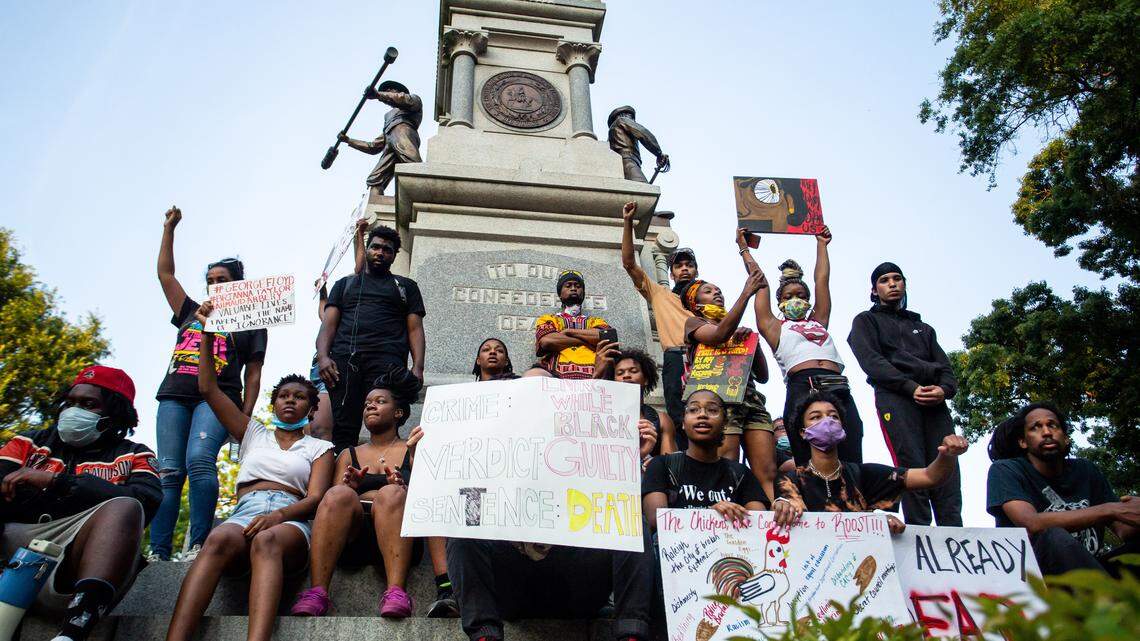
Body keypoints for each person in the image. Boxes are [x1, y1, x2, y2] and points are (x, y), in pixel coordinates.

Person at [166, 302, 334, 641]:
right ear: (273, 404)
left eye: (299, 397)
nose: (290, 400)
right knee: (216, 539)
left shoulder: (320, 448)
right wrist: (207, 334)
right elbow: (208, 389)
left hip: (290, 518)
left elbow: (316, 498)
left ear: (311, 408)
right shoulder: (253, 432)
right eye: (283, 396)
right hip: (245, 512)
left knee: (267, 540)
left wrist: (278, 516)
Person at [444, 380, 658, 641]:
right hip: (511, 588)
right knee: (463, 525)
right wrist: (433, 467)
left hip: (577, 585)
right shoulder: (489, 456)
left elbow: (616, 505)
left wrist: (628, 457)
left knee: (631, 521)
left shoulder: (584, 454)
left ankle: (631, 635)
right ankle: (484, 635)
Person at [0, 366, 160, 641]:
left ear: (114, 412)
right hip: (16, 543)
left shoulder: (135, 455)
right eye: (70, 402)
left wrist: (57, 482)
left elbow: (144, 501)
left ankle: (71, 634)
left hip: (77, 562)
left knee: (125, 507)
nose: (74, 411)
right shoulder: (29, 442)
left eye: (88, 404)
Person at [153, 205, 267, 561]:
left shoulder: (251, 322)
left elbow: (253, 373)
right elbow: (165, 274)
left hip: (218, 400)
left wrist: (243, 418)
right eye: (211, 280)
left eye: (223, 280)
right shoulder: (190, 311)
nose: (216, 285)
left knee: (200, 461)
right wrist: (169, 229)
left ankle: (198, 544)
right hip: (174, 396)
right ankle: (158, 550)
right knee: (169, 471)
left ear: (238, 285)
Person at [291, 368, 430, 617]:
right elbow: (332, 505)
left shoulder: (412, 449)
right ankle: (317, 592)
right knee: (338, 494)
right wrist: (350, 488)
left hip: (400, 539)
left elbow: (427, 499)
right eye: (367, 404)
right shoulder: (349, 454)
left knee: (391, 493)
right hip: (353, 539)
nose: (370, 407)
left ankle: (396, 592)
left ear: (398, 412)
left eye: (380, 402)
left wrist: (402, 487)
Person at [847, 262, 962, 526]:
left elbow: (946, 369)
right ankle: (919, 530)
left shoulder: (923, 328)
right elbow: (872, 361)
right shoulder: (866, 321)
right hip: (896, 398)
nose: (892, 284)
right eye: (884, 280)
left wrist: (943, 390)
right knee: (910, 464)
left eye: (897, 278)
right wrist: (911, 387)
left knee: (947, 459)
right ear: (874, 290)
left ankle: (954, 530)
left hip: (934, 401)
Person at [747, 226, 864, 465]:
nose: (795, 300)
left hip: (837, 385)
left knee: (852, 443)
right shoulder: (774, 327)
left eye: (800, 295)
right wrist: (744, 250)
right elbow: (761, 283)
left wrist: (821, 244)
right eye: (788, 297)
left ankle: (853, 486)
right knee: (805, 454)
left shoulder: (819, 319)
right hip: (803, 386)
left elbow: (822, 280)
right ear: (779, 302)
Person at [771, 391, 968, 534]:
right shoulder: (789, 480)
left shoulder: (864, 475)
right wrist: (781, 506)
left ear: (843, 428)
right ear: (803, 433)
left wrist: (947, 455)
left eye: (833, 416)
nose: (827, 421)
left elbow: (930, 476)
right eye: (816, 417)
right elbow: (790, 518)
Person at [986, 402, 1140, 576]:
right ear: (1023, 442)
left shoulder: (1086, 470)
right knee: (1053, 535)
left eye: (1053, 425)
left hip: (1093, 571)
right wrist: (1111, 509)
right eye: (1036, 427)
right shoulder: (1006, 470)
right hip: (1036, 577)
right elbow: (1031, 523)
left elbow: (1123, 529)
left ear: (1066, 438)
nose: (1046, 432)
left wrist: (1132, 512)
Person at [317, 224, 426, 452]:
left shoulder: (406, 287)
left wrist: (418, 367)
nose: (380, 252)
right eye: (375, 247)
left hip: (387, 364)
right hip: (345, 362)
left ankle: (386, 470)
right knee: (343, 427)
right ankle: (343, 471)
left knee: (386, 422)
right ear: (366, 249)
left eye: (387, 250)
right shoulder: (344, 285)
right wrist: (323, 357)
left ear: (394, 255)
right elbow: (328, 325)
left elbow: (415, 329)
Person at [680, 270, 776, 498]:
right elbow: (718, 335)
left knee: (767, 470)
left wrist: (753, 344)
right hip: (719, 399)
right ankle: (726, 510)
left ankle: (771, 513)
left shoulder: (737, 328)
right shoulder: (694, 323)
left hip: (751, 400)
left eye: (719, 291)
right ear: (695, 302)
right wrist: (746, 293)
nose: (717, 294)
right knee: (726, 462)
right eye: (708, 291)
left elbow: (763, 376)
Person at [619, 201, 697, 446]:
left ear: (696, 271)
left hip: (706, 358)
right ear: (671, 274)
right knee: (679, 416)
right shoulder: (661, 294)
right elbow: (629, 263)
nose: (684, 269)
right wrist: (628, 222)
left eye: (689, 265)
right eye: (679, 266)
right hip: (676, 357)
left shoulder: (709, 298)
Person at [642, 389, 769, 526]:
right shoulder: (662, 465)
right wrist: (709, 515)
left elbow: (759, 522)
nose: (702, 414)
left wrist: (781, 507)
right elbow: (656, 519)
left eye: (712, 410)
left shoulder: (741, 473)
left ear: (724, 423)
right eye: (693, 410)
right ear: (683, 422)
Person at [309, 219, 368, 441]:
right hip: (320, 366)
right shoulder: (336, 306)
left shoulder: (358, 294)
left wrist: (359, 236)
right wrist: (323, 293)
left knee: (324, 428)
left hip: (339, 365)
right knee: (315, 429)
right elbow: (324, 315)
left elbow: (360, 269)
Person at [338, 80, 423, 195]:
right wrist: (348, 140)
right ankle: (373, 201)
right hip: (390, 141)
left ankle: (421, 192)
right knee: (374, 179)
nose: (387, 93)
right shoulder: (389, 117)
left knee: (412, 164)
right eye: (385, 92)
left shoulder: (413, 100)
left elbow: (401, 98)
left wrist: (378, 95)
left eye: (389, 91)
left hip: (404, 134)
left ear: (398, 91)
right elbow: (373, 146)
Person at [594, 342, 677, 458]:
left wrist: (654, 462)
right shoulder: (600, 416)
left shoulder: (661, 420)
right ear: (613, 381)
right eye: (620, 373)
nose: (626, 375)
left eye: (633, 371)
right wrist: (596, 374)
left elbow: (671, 465)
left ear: (646, 379)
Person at [534, 270, 611, 379]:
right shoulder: (548, 319)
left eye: (578, 286)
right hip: (557, 380)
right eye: (568, 285)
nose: (573, 288)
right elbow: (547, 341)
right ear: (560, 295)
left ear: (583, 294)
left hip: (594, 379)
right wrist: (589, 341)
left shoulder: (596, 321)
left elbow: (606, 337)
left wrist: (568, 332)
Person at [607, 106, 669, 183]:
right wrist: (659, 153)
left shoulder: (611, 134)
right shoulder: (621, 120)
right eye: (631, 117)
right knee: (643, 188)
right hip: (628, 162)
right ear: (623, 115)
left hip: (623, 165)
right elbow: (643, 133)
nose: (633, 121)